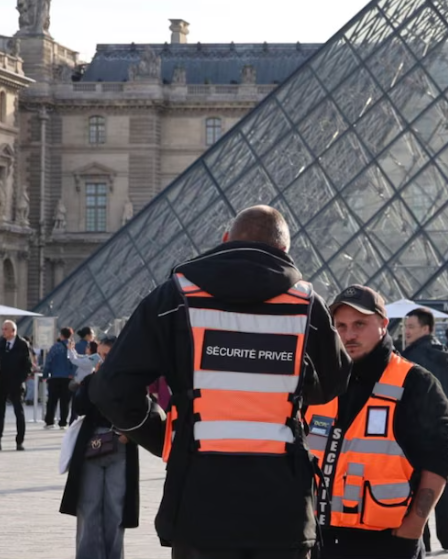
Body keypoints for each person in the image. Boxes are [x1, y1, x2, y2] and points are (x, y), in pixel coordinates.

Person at [88, 205, 353, 559]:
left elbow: (110, 388)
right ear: (284, 251)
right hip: (281, 504)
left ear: (226, 240)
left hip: (199, 499)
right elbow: (335, 381)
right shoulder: (306, 304)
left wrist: (165, 437)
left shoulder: (176, 297)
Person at [305, 286, 448, 559]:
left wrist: (414, 526)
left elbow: (441, 458)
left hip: (386, 543)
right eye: (341, 325)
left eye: (360, 324)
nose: (349, 335)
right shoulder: (321, 381)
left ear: (384, 324)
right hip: (320, 540)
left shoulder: (415, 382)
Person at [61, 336, 140, 559]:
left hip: (120, 446)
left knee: (116, 508)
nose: (105, 359)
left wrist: (130, 433)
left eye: (109, 355)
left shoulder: (131, 381)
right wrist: (93, 379)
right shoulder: (92, 380)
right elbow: (80, 406)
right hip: (91, 445)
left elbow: (142, 409)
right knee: (89, 506)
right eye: (102, 355)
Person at [402, 308, 448, 553]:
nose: (406, 331)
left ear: (425, 328)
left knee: (418, 488)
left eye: (411, 327)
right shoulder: (443, 354)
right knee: (443, 483)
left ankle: (421, 539)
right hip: (442, 427)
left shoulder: (413, 356)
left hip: (418, 429)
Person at [0, 320, 32, 451]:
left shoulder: (22, 344)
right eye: (2, 329)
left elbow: (27, 365)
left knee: (19, 412)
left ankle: (19, 441)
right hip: (1, 383)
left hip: (16, 383)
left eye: (5, 329)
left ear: (13, 331)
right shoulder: (0, 343)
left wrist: (21, 379)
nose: (3, 332)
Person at [43, 326, 77, 429]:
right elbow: (74, 362)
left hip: (55, 377)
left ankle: (49, 422)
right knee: (65, 401)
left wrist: (45, 374)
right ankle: (63, 422)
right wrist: (72, 373)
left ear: (61, 335)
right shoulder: (72, 348)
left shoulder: (55, 347)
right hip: (68, 378)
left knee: (52, 400)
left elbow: (48, 361)